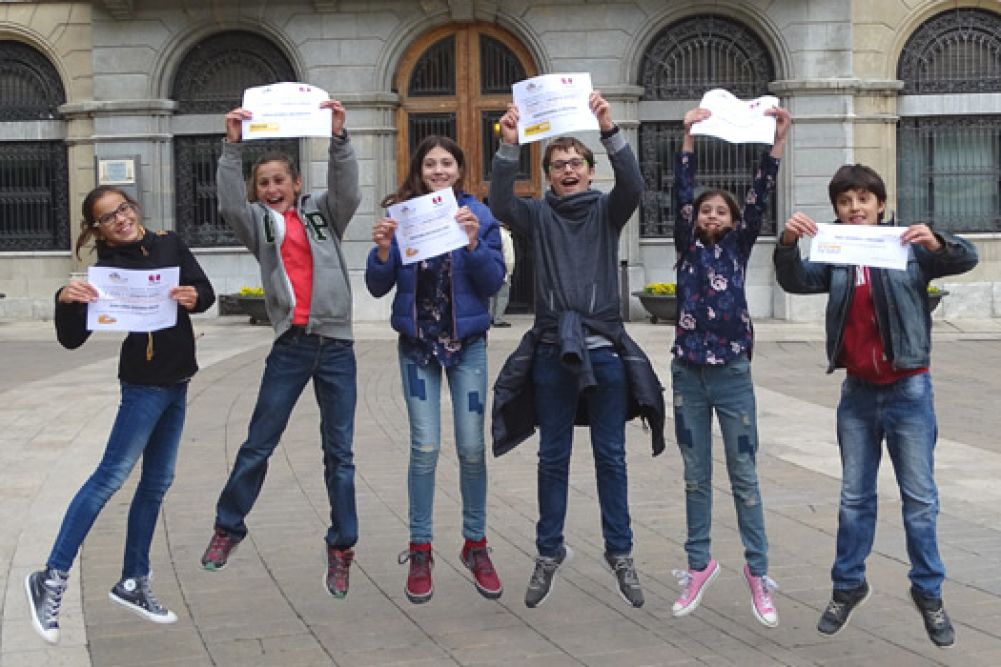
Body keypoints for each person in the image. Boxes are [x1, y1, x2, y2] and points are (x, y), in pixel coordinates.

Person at [773, 164, 978, 648]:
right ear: (838, 210)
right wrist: (785, 244)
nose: (856, 208)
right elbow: (798, 281)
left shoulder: (906, 246)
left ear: (880, 205)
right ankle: (848, 586)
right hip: (858, 394)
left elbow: (964, 259)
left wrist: (938, 242)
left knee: (920, 502)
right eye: (846, 202)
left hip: (909, 390)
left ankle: (928, 593)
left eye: (864, 199)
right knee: (853, 500)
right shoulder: (838, 251)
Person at [489, 92, 666, 609]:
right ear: (547, 176)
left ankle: (621, 552)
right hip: (551, 354)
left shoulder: (607, 212)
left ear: (591, 172)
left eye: (576, 164)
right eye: (559, 165)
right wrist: (507, 147)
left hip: (605, 354)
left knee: (611, 457)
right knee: (553, 458)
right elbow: (499, 204)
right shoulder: (537, 216)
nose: (568, 171)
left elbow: (633, 184)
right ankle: (549, 552)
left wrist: (608, 128)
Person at [25, 185, 215, 644]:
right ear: (98, 230)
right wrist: (65, 300)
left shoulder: (170, 243)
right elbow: (73, 340)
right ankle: (50, 577)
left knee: (156, 484)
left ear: (135, 209)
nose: (121, 220)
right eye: (108, 218)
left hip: (178, 382)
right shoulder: (105, 271)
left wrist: (194, 296)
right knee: (109, 479)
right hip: (143, 387)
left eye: (124, 209)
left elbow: (205, 292)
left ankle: (132, 581)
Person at [200, 99, 362, 599]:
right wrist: (231, 147)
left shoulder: (323, 215)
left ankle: (342, 547)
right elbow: (228, 204)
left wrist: (339, 138)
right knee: (258, 444)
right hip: (290, 346)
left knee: (340, 454)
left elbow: (347, 189)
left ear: (296, 184)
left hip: (335, 346)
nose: (272, 188)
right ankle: (228, 527)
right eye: (264, 181)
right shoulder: (258, 224)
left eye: (280, 180)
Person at [365, 135, 506, 604]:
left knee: (470, 448)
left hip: (466, 346)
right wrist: (383, 250)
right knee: (424, 447)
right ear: (419, 170)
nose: (439, 170)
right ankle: (420, 548)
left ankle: (475, 544)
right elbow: (377, 285)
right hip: (417, 346)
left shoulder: (480, 217)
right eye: (430, 163)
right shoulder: (402, 214)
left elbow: (492, 282)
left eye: (447, 163)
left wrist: (471, 243)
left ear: (460, 170)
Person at [668, 105, 790, 628]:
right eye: (705, 210)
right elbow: (681, 187)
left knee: (744, 476)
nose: (712, 215)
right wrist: (688, 137)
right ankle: (699, 565)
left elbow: (761, 191)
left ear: (736, 223)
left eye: (721, 211)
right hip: (687, 375)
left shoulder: (739, 247)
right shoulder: (686, 244)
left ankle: (757, 573)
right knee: (696, 478)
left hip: (732, 374)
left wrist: (778, 141)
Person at [490, 222, 516, 327]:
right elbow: (508, 255)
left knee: (491, 296)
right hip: (502, 269)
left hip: (490, 268)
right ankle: (498, 319)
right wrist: (509, 271)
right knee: (502, 295)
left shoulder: (491, 233)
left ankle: (490, 317)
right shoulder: (505, 235)